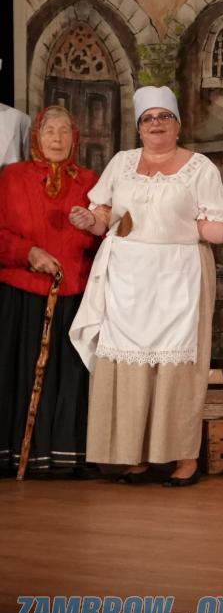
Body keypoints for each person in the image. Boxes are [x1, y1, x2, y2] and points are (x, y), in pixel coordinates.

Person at [68, 86, 223, 486]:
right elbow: (104, 215)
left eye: (164, 117)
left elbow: (207, 224)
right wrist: (89, 220)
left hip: (178, 274)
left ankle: (184, 458)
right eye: (148, 118)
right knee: (130, 368)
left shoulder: (199, 168)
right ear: (139, 127)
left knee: (176, 371)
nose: (156, 124)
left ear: (178, 124)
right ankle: (135, 457)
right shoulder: (122, 163)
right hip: (127, 278)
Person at [0, 106, 99, 477]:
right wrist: (29, 253)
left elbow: (103, 235)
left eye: (64, 131)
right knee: (21, 375)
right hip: (22, 292)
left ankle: (65, 456)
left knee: (69, 377)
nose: (57, 138)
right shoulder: (11, 177)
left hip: (73, 294)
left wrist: (94, 226)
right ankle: (17, 455)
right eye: (49, 131)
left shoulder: (89, 181)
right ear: (36, 138)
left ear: (75, 137)